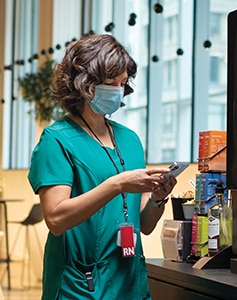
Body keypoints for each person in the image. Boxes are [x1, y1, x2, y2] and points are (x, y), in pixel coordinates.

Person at [28, 33, 177, 299]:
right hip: (80, 286)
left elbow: (144, 224)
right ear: (84, 83)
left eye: (122, 83)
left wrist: (157, 198)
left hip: (130, 283)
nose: (119, 91)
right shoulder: (57, 140)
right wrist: (116, 184)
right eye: (111, 83)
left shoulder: (130, 140)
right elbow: (56, 219)